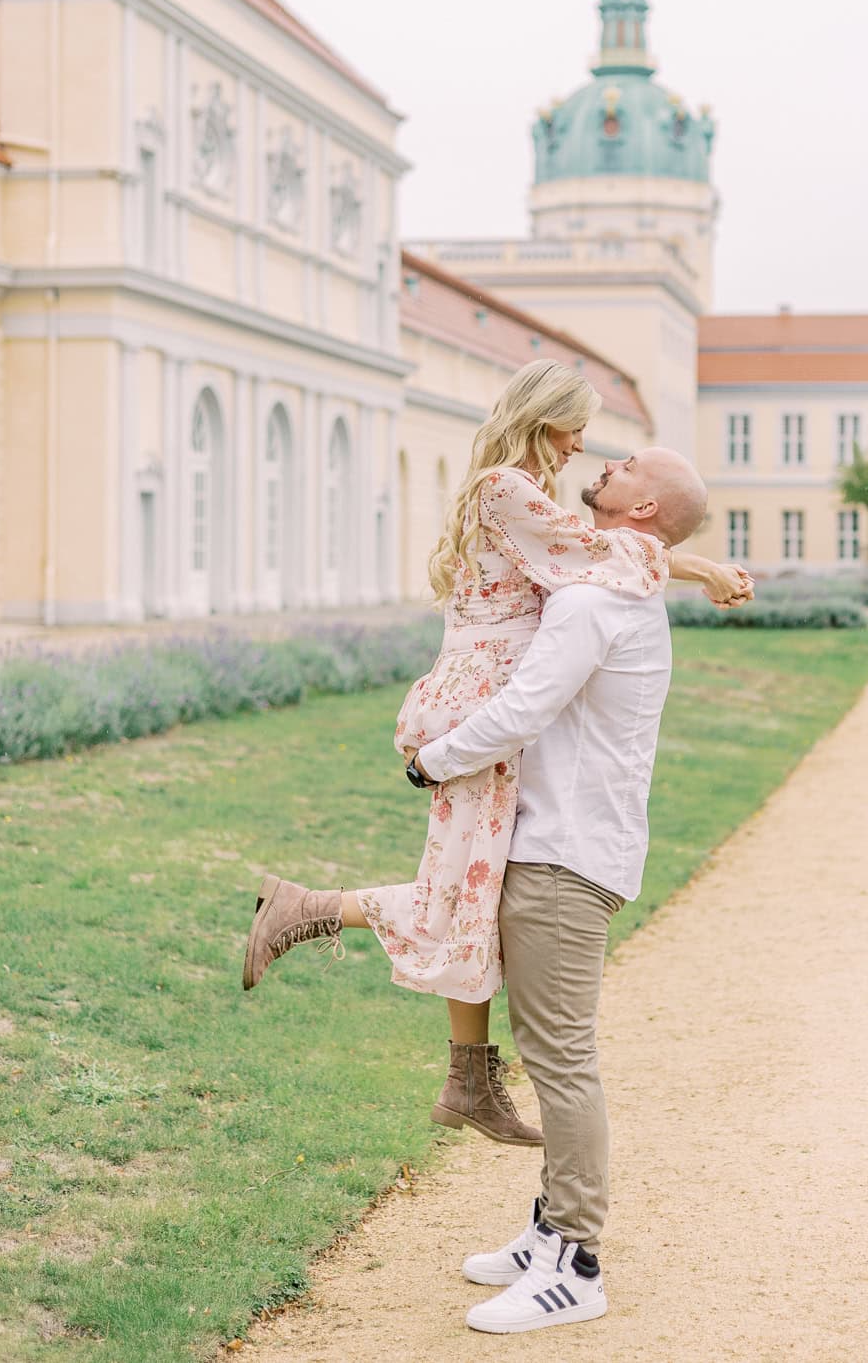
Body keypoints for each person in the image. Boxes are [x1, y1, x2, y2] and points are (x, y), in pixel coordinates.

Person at [242, 362, 751, 1148]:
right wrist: (704, 566)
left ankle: (466, 1075)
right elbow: (602, 549)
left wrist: (695, 566)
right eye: (574, 426)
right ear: (542, 419)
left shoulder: (516, 488)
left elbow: (608, 546)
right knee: (460, 888)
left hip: (478, 696)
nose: (582, 444)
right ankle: (310, 916)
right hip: (477, 704)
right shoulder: (507, 489)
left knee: (468, 887)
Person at [408, 446, 710, 1333]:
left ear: (644, 504)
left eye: (622, 466)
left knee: (561, 1061)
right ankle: (548, 1230)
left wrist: (434, 758)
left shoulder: (591, 599)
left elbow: (524, 707)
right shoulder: (615, 583)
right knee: (552, 1051)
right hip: (570, 848)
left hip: (564, 857)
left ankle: (575, 1261)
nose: (604, 465)